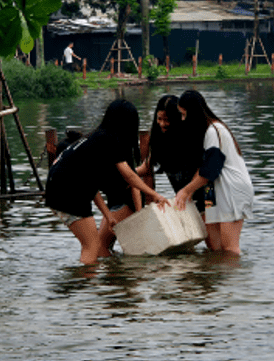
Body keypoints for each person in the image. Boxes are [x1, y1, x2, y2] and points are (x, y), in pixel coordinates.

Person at [45, 99, 170, 265]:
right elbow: (130, 176)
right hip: (68, 193)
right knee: (93, 246)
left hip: (55, 189)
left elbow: (91, 188)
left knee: (95, 246)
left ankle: (92, 281)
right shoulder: (110, 139)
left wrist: (108, 215)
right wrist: (155, 195)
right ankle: (87, 284)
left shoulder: (96, 138)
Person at [174, 89, 254, 255]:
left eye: (184, 114)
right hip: (212, 191)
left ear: (193, 113)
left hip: (231, 190)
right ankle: (218, 278)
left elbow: (211, 170)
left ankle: (232, 280)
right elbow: (204, 170)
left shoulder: (214, 131)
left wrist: (186, 190)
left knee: (229, 248)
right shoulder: (207, 132)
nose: (183, 119)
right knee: (214, 246)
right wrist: (190, 192)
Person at [136, 94, 204, 213]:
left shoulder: (191, 138)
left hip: (207, 193)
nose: (162, 124)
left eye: (167, 120)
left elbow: (203, 169)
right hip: (185, 199)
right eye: (159, 119)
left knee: (211, 227)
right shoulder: (159, 140)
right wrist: (125, 175)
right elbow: (146, 167)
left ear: (178, 119)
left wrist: (188, 192)